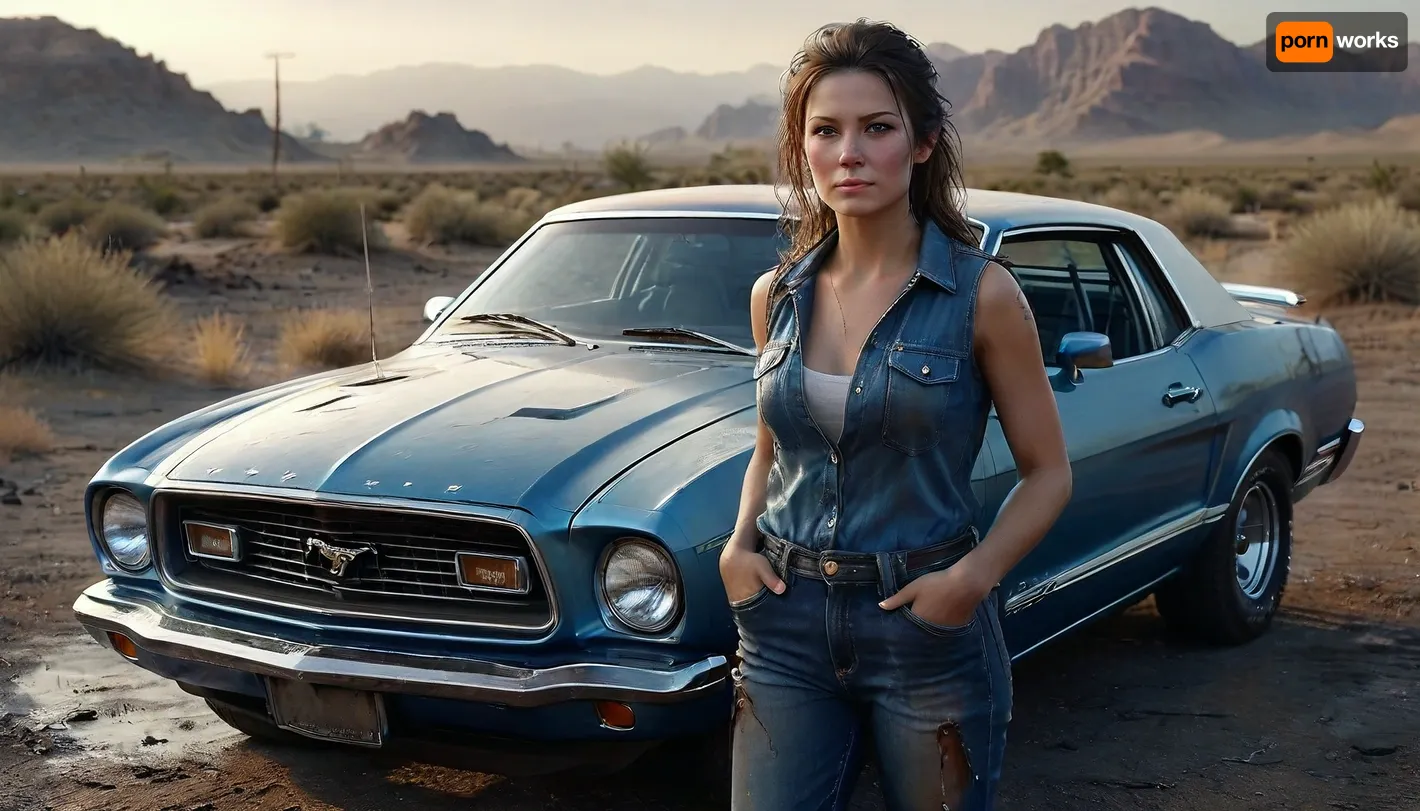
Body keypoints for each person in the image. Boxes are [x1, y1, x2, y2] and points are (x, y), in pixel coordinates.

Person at [717, 18, 1074, 811]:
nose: (850, 152)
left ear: (921, 144)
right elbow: (770, 450)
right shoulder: (775, 296)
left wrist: (971, 582)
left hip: (925, 628)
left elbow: (1050, 474)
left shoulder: (982, 295)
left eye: (877, 128)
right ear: (801, 149)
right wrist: (739, 547)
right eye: (826, 130)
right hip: (782, 624)